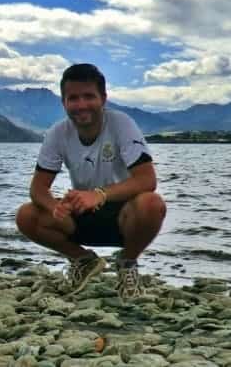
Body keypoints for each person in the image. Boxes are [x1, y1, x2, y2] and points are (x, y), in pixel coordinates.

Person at [15, 63, 166, 299]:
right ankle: (83, 260)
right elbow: (38, 188)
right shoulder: (57, 133)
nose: (81, 105)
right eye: (73, 98)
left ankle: (127, 264)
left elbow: (147, 179)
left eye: (89, 96)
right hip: (82, 216)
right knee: (26, 215)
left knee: (152, 204)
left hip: (124, 218)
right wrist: (55, 207)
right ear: (63, 102)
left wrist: (99, 194)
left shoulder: (121, 124)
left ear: (103, 98)